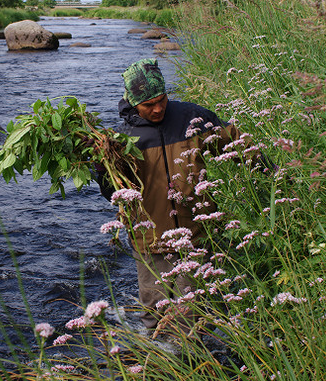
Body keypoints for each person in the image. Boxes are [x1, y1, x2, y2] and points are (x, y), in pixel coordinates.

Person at [99, 58, 243, 335]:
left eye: (162, 99)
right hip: (150, 240)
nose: (158, 108)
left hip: (196, 233)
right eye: (148, 104)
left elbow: (235, 142)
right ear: (131, 102)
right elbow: (113, 193)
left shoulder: (193, 117)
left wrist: (270, 168)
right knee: (156, 315)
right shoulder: (120, 139)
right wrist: (102, 170)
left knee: (196, 315)